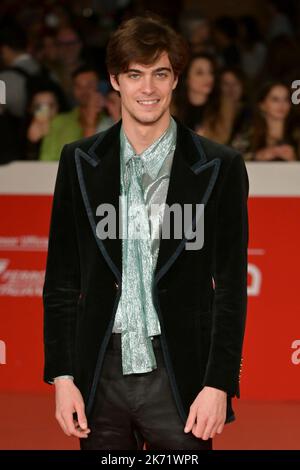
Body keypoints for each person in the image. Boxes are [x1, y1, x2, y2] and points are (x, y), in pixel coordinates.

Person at [43, 15, 249, 451]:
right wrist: (63, 377)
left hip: (180, 377)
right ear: (115, 80)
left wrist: (219, 384)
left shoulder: (220, 166)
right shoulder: (78, 162)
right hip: (100, 373)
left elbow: (230, 288)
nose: (148, 88)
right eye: (135, 74)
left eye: (160, 73)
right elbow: (62, 280)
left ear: (175, 79)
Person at [39, 65, 113, 161]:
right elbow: (45, 159)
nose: (84, 91)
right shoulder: (59, 121)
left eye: (89, 85)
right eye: (78, 86)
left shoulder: (111, 121)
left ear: (101, 87)